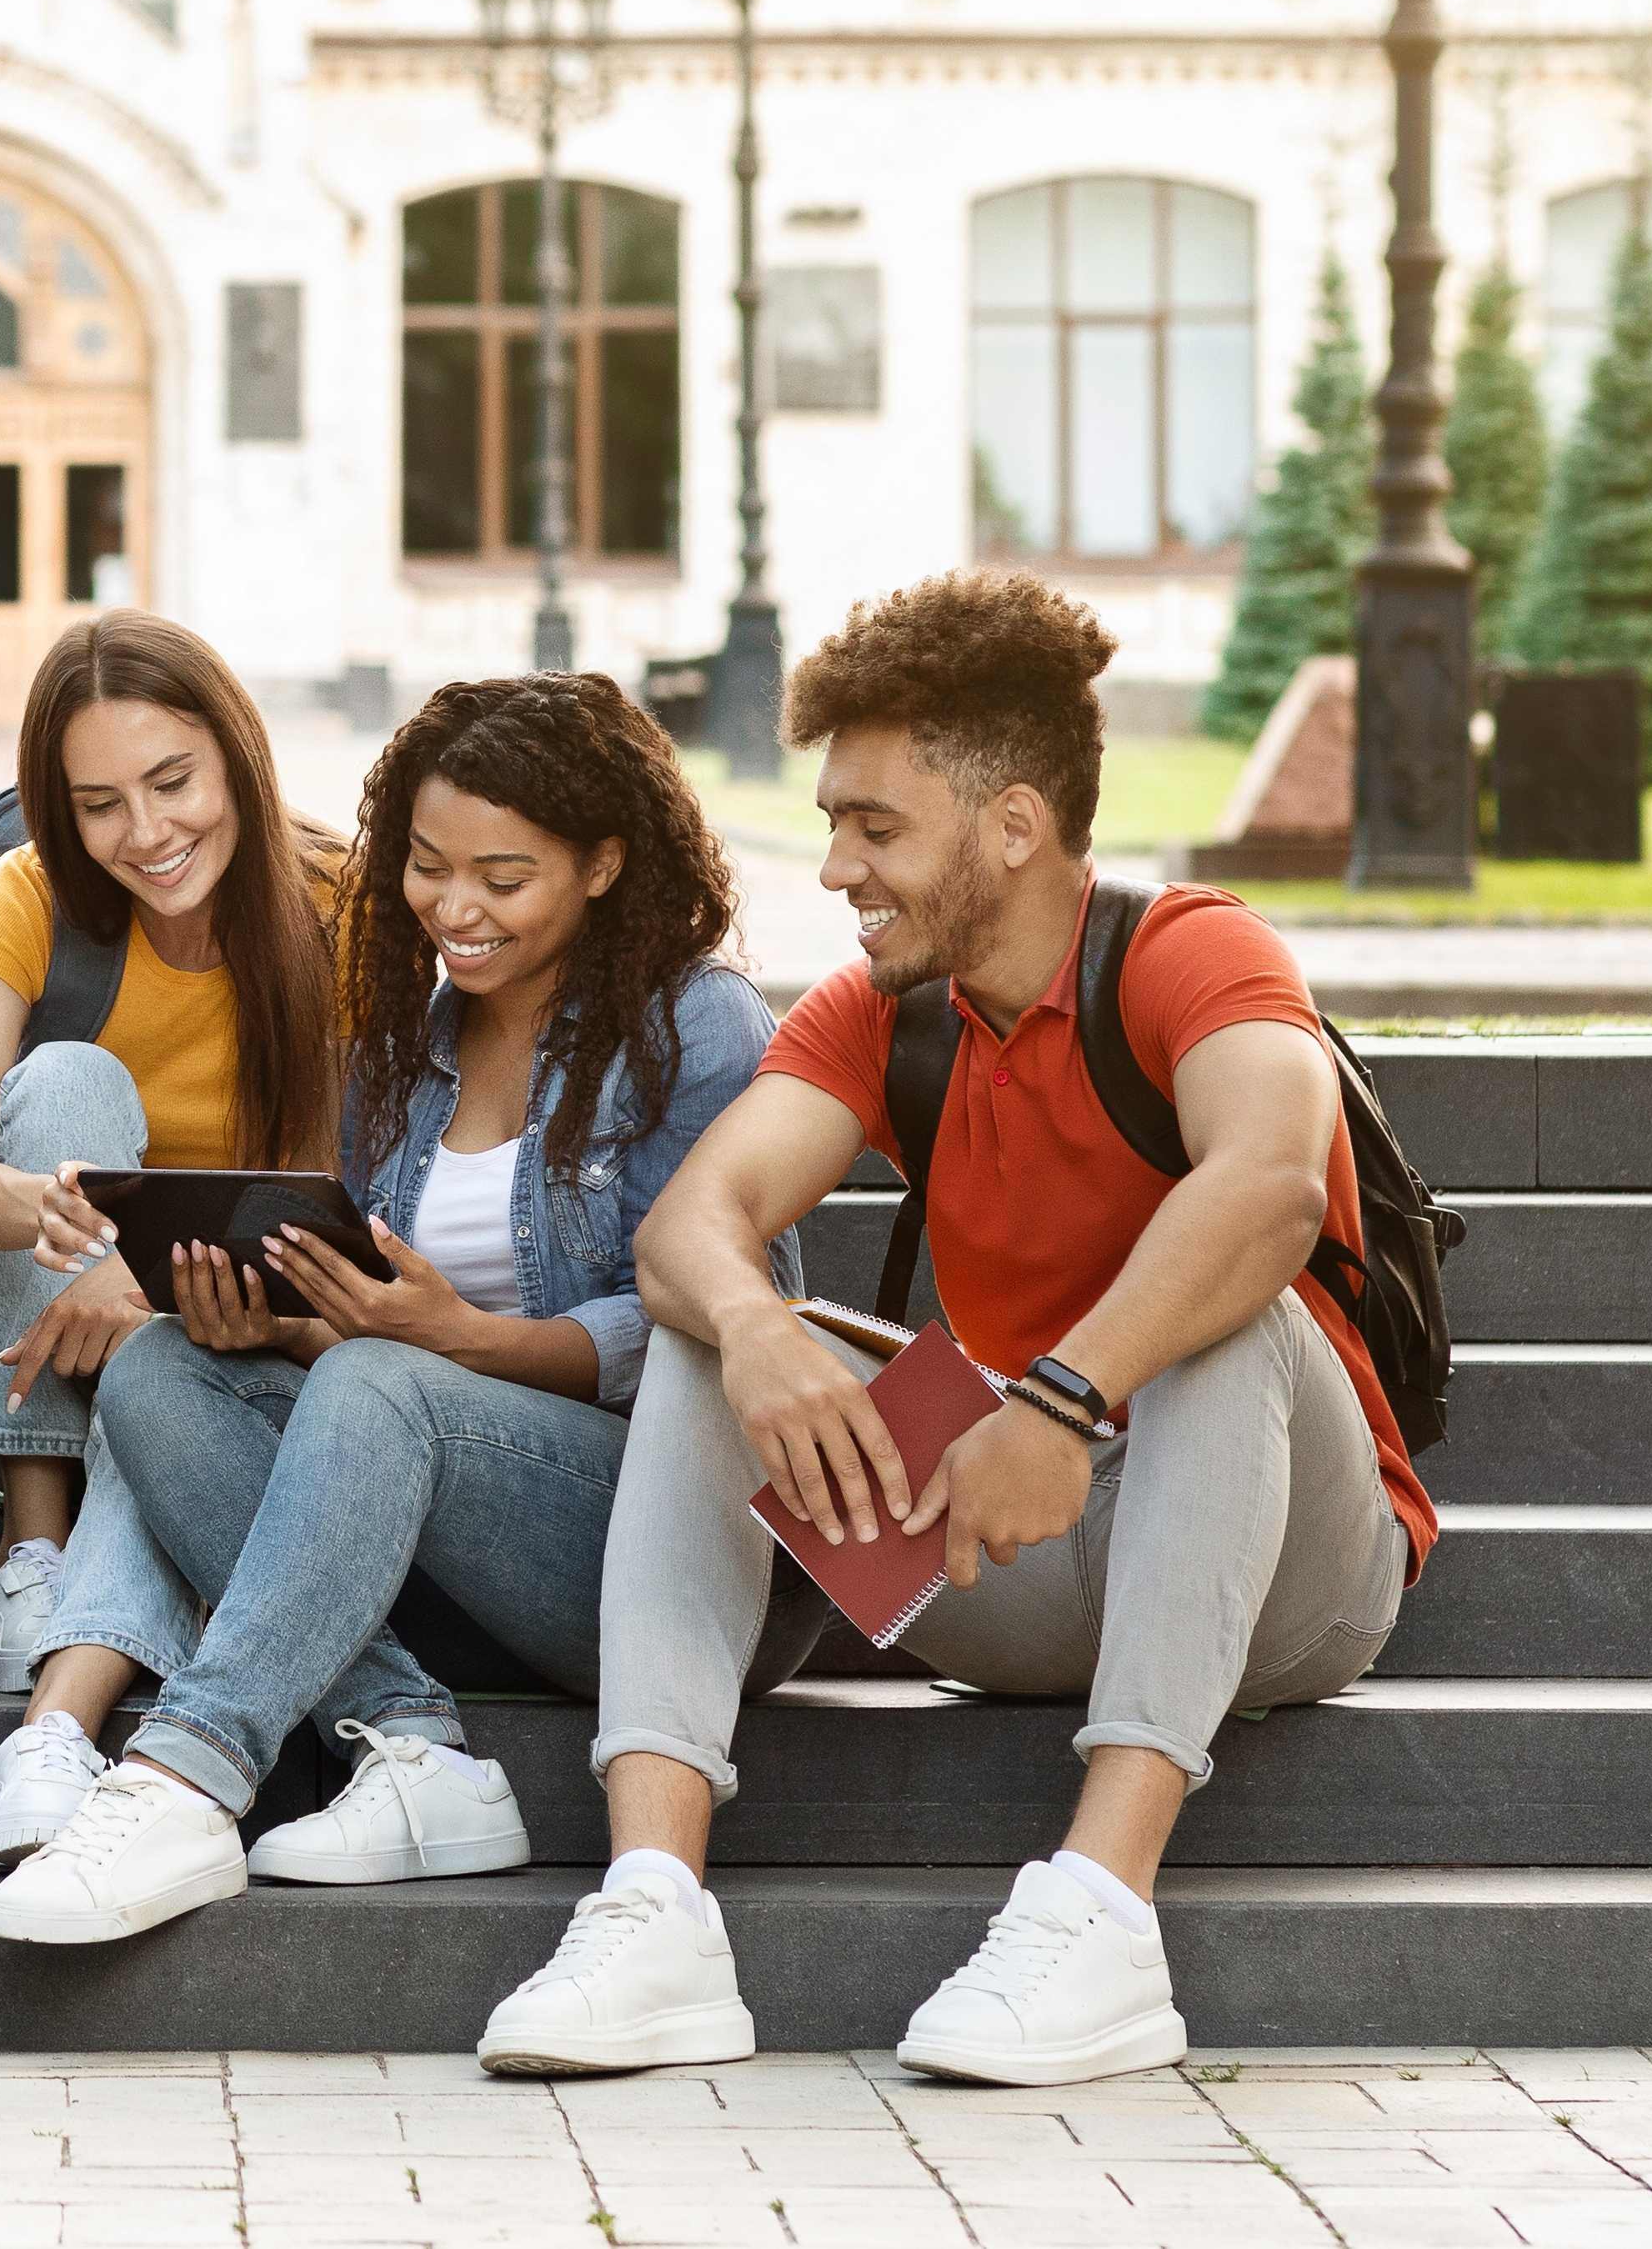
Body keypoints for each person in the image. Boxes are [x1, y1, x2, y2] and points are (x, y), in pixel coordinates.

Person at [475, 571, 1434, 2086]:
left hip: (1288, 1570)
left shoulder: (1195, 952)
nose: (838, 866)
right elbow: (687, 1227)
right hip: (1016, 1549)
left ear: (1013, 825)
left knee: (1227, 1316)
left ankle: (1104, 1914)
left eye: (875, 824)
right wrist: (761, 1324)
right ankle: (654, 1909)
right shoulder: (879, 1009)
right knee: (711, 1334)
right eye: (835, 822)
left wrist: (1058, 1400)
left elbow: (1264, 1186)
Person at [0, 675, 784, 1945]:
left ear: (604, 864)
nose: (453, 910)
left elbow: (726, 1337)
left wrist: (453, 1338)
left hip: (648, 1546)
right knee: (157, 1372)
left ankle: (190, 1767)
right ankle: (414, 1745)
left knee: (376, 1381)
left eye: (502, 878)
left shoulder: (696, 1026)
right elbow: (370, 1319)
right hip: (427, 1531)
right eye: (424, 865)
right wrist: (278, 1316)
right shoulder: (410, 1036)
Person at [0, 611, 342, 1866]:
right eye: (98, 802)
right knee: (68, 1080)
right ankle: (34, 1541)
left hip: (211, 1340)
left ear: (237, 757)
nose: (145, 832)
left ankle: (52, 1739)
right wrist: (74, 1230)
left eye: (172, 782)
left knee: (166, 1376)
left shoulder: (337, 908)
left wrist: (151, 1306)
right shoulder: (25, 894)